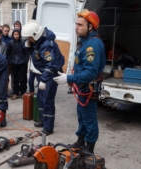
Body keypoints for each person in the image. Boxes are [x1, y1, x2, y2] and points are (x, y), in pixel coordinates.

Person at [53, 9, 106, 154]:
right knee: (82, 116)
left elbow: (90, 73)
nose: (76, 27)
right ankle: (80, 141)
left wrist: (68, 79)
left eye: (80, 25)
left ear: (90, 27)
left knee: (89, 118)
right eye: (76, 24)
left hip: (88, 88)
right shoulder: (85, 42)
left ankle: (89, 148)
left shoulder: (92, 46)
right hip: (82, 87)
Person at [22, 20, 65, 136]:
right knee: (41, 98)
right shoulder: (38, 41)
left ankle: (48, 127)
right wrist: (27, 47)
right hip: (44, 73)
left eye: (29, 38)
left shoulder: (47, 45)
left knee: (47, 100)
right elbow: (35, 54)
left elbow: (50, 64)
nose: (29, 39)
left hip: (51, 73)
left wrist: (44, 80)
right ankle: (43, 120)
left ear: (36, 35)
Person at [7, 29, 28, 100]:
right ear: (12, 35)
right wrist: (10, 61)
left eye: (17, 34)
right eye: (14, 34)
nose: (16, 36)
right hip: (13, 63)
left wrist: (25, 60)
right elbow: (8, 53)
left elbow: (26, 52)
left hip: (22, 62)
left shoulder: (23, 42)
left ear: (19, 35)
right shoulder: (11, 42)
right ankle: (16, 93)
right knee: (15, 78)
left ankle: (23, 92)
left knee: (23, 78)